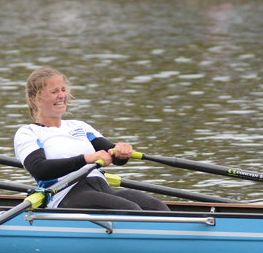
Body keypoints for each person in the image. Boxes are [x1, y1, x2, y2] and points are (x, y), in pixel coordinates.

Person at [14, 67, 169, 211]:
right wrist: (86, 159)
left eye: (63, 89)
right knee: (130, 209)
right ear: (34, 99)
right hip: (65, 196)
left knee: (157, 207)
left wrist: (122, 151)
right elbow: (40, 169)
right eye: (54, 91)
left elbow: (113, 155)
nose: (62, 95)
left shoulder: (80, 126)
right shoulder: (28, 133)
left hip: (102, 189)